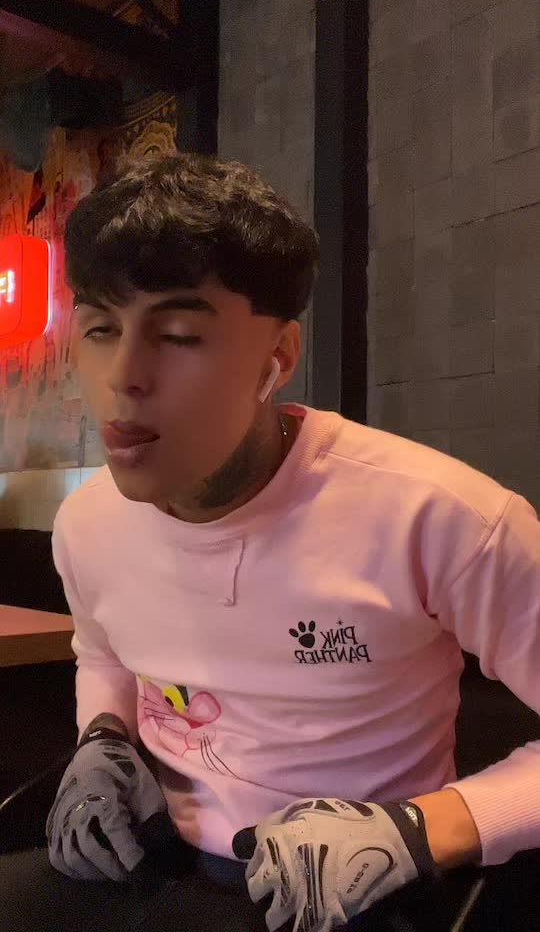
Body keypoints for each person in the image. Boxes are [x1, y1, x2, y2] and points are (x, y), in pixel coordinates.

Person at [1, 153, 538, 932]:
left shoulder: (437, 516)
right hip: (160, 861)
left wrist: (422, 832)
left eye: (178, 335)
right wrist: (105, 737)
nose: (124, 376)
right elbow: (105, 653)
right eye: (100, 328)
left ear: (276, 358)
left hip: (357, 893)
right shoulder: (89, 524)